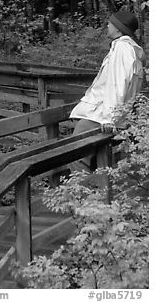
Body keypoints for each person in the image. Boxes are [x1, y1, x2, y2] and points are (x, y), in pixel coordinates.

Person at [50, 10, 145, 184]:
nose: (107, 26)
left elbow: (117, 85)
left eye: (110, 23)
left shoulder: (122, 49)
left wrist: (110, 118)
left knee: (75, 153)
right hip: (118, 117)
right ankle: (96, 199)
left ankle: (85, 200)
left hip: (103, 117)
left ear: (119, 28)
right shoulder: (132, 51)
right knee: (92, 159)